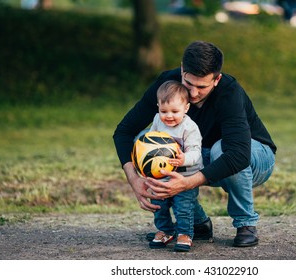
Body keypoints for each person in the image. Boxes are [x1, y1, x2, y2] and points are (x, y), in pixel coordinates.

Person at [113, 41, 276, 247]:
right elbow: (124, 131)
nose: (193, 93)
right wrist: (134, 179)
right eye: (188, 83)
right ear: (182, 69)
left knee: (221, 148)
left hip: (254, 158)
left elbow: (239, 155)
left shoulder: (229, 92)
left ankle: (245, 223)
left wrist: (188, 182)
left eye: (202, 87)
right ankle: (196, 224)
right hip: (199, 155)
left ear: (217, 79)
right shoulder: (168, 84)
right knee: (147, 142)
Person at [147, 80, 203, 252]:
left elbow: (196, 152)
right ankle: (165, 230)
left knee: (183, 206)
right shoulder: (158, 120)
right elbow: (150, 141)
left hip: (186, 175)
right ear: (158, 107)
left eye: (175, 111)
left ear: (186, 108)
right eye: (164, 111)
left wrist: (183, 159)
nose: (168, 116)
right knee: (158, 202)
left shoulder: (190, 128)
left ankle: (185, 234)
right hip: (162, 173)